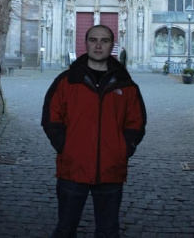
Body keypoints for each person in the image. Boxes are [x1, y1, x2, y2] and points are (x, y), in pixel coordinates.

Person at [41, 25, 147, 237]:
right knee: (65, 229)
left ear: (112, 45)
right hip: (73, 168)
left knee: (108, 231)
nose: (98, 45)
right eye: (93, 40)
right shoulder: (66, 81)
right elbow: (51, 118)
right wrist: (65, 146)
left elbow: (136, 123)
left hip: (111, 170)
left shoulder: (126, 85)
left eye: (105, 40)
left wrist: (122, 149)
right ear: (85, 43)